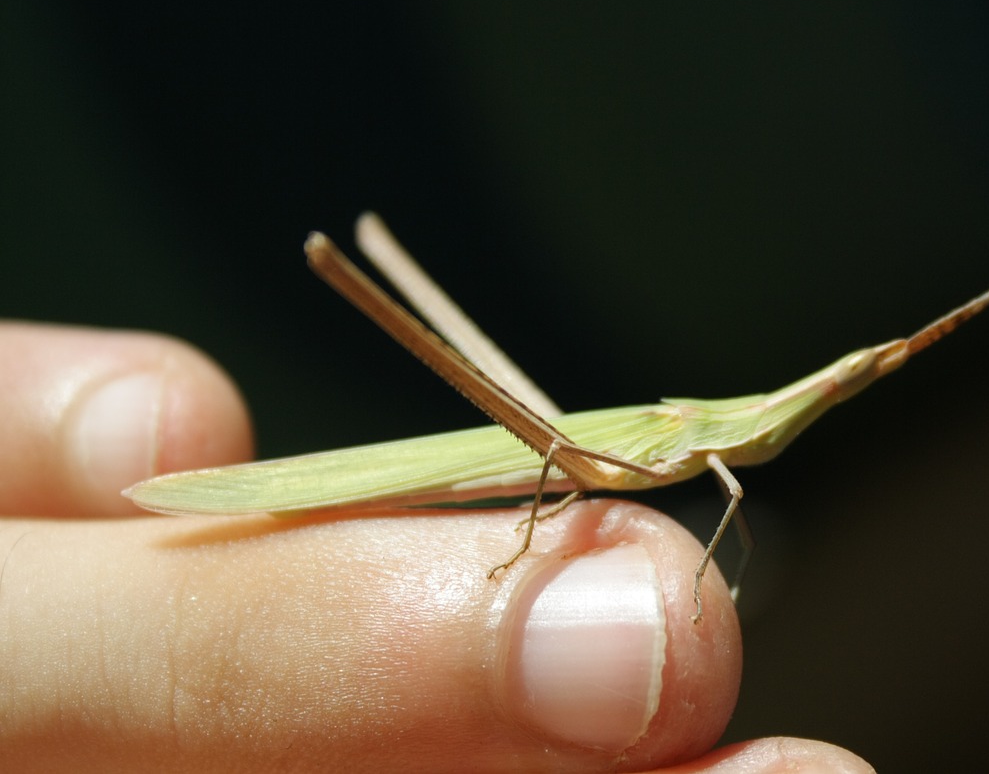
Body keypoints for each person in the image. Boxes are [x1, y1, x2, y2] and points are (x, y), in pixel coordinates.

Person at [0, 322, 872, 772]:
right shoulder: (713, 451)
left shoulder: (732, 469)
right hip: (549, 451)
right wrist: (531, 532)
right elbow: (575, 467)